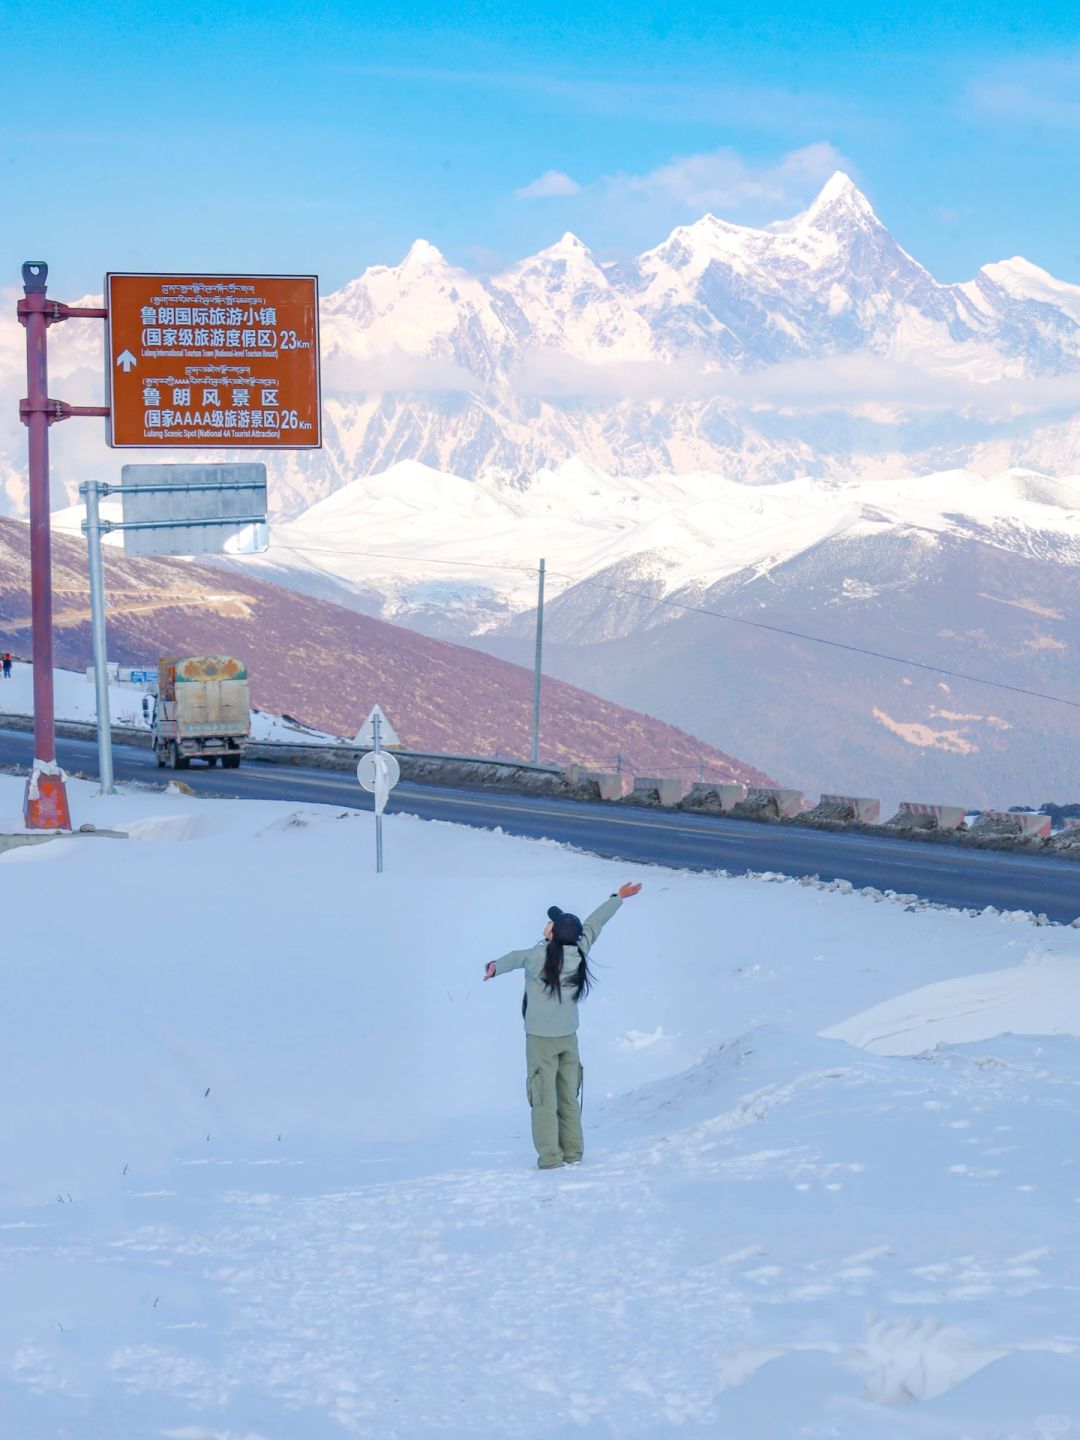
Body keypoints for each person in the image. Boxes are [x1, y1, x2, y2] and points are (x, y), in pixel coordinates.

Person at [484, 881, 642, 1169]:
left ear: (553, 933)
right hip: (568, 1039)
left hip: (540, 1041)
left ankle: (550, 1158)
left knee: (543, 1098)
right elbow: (595, 923)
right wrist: (618, 898)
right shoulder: (580, 950)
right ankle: (573, 1153)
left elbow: (515, 958)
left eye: (551, 923)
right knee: (568, 1096)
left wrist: (495, 967)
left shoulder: (538, 956)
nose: (547, 924)